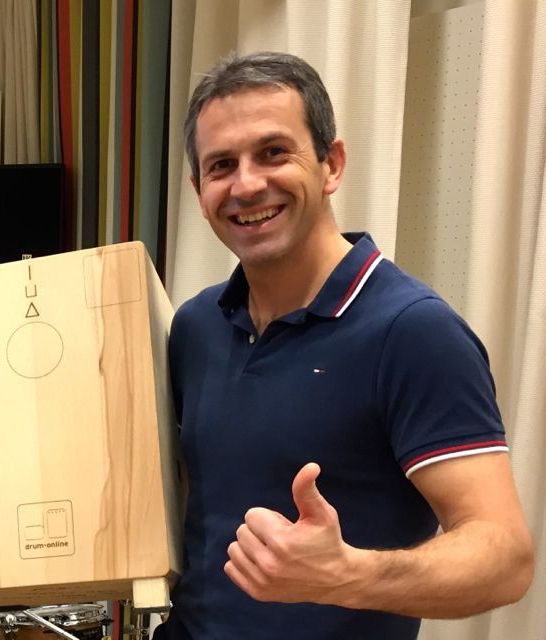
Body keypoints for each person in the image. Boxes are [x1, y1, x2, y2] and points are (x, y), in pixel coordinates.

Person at [155, 51, 534, 639]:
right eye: (221, 165)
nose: (247, 184)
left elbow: (506, 559)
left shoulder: (413, 332)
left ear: (331, 165)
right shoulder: (196, 326)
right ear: (199, 190)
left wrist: (344, 575)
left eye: (273, 152)